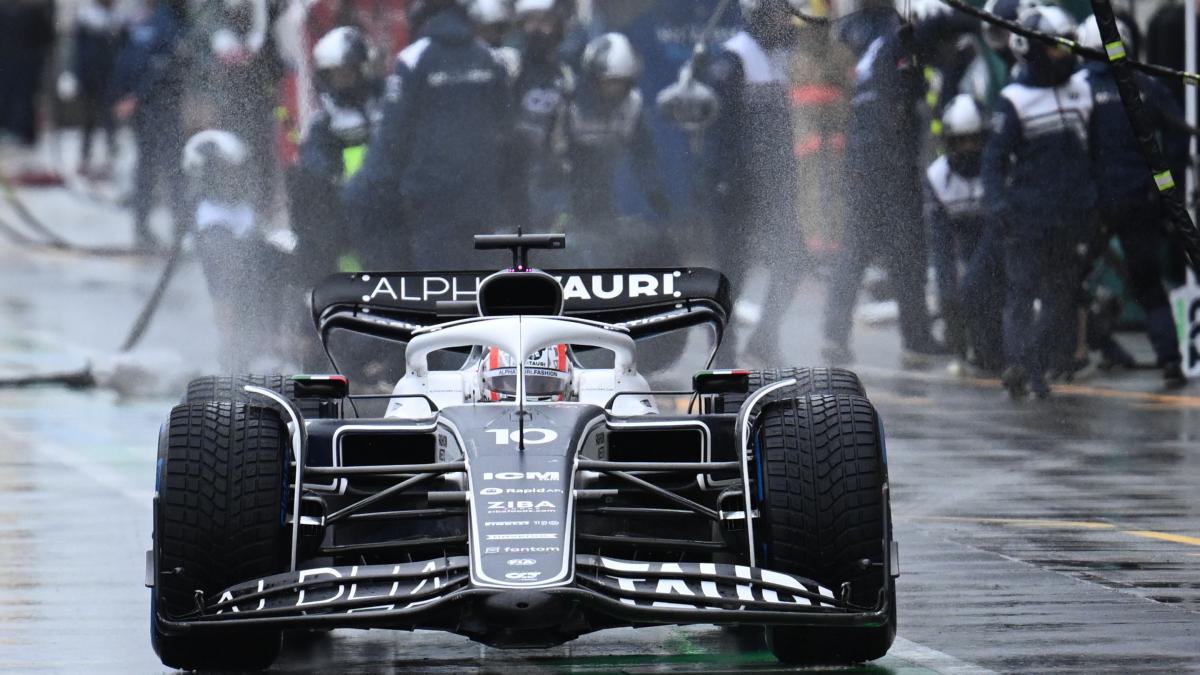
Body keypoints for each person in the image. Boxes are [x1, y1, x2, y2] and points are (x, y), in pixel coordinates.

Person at [821, 0, 946, 367]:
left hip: (864, 159)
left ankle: (834, 334)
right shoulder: (896, 39)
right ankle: (916, 337)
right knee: (905, 250)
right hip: (886, 161)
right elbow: (893, 106)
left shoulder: (862, 35)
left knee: (858, 250)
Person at [343, 0, 511, 269]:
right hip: (482, 200)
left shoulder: (414, 60)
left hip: (433, 204)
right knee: (482, 286)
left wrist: (358, 192)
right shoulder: (488, 58)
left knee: (439, 290)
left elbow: (392, 140)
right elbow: (505, 129)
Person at [982, 5, 1096, 399]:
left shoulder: (1082, 90)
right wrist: (997, 205)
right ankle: (1023, 366)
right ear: (1031, 49)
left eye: (1067, 47)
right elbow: (993, 160)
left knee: (1060, 299)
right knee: (1020, 294)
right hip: (1027, 217)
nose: (1063, 55)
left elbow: (1097, 150)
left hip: (1070, 218)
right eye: (1055, 48)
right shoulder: (1014, 99)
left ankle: (1031, 362)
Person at [1078, 15, 1188, 386]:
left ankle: (1066, 355)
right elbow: (1178, 134)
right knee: (1148, 283)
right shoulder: (1147, 84)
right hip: (1141, 200)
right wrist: (1165, 183)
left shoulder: (1078, 88)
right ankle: (1170, 359)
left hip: (1093, 205)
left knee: (1068, 282)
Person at [697, 0, 804, 362]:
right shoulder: (734, 59)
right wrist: (723, 180)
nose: (784, 21)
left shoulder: (781, 57)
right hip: (734, 185)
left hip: (772, 184)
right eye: (777, 13)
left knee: (794, 258)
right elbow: (718, 131)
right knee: (733, 269)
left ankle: (765, 336)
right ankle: (723, 349)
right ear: (758, 15)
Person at [184, 129, 290, 371]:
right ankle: (236, 348)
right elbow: (222, 288)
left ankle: (273, 340)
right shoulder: (210, 223)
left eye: (235, 172)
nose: (232, 180)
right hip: (236, 328)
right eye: (224, 173)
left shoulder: (243, 210)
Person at [291, 26, 382, 273]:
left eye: (347, 73)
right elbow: (311, 159)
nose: (342, 80)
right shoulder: (324, 121)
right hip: (346, 212)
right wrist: (331, 176)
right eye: (335, 75)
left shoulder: (387, 105)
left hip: (388, 203)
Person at [926, 94, 1005, 374]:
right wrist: (948, 294)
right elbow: (941, 242)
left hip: (1001, 247)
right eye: (962, 141)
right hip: (968, 250)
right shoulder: (938, 177)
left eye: (974, 140)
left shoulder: (998, 169)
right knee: (956, 294)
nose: (969, 148)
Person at [565, 33, 668, 237]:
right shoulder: (569, 101)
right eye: (608, 82)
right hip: (564, 183)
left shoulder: (633, 105)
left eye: (621, 82)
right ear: (593, 78)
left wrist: (654, 190)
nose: (614, 89)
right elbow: (548, 153)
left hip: (604, 186)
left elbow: (644, 154)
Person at [111, 0, 188, 251]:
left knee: (171, 167)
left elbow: (163, 64)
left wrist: (137, 96)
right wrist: (119, 94)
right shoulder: (135, 20)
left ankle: (181, 228)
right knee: (145, 169)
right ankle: (142, 227)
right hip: (141, 112)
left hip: (162, 106)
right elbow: (123, 57)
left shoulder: (167, 21)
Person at [508, 0, 574, 229]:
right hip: (512, 174)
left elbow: (565, 127)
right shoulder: (511, 66)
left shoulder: (563, 74)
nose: (538, 28)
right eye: (531, 21)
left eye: (545, 21)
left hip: (549, 174)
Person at [67, 0, 125, 178]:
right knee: (88, 121)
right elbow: (78, 51)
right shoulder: (85, 18)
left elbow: (121, 51)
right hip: (89, 78)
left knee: (110, 121)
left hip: (109, 79)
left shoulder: (117, 21)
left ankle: (111, 161)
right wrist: (75, 74)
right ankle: (85, 158)